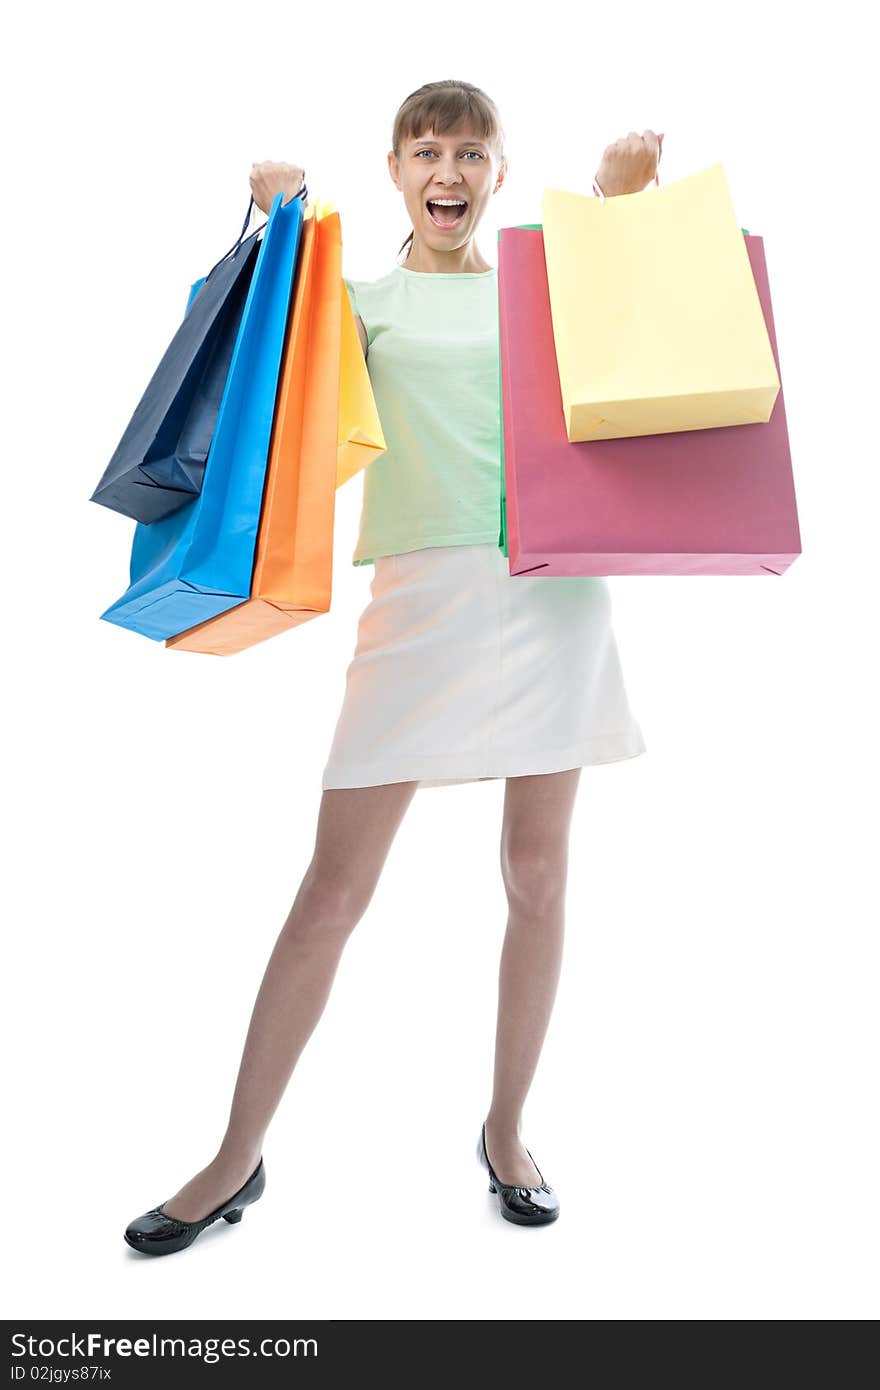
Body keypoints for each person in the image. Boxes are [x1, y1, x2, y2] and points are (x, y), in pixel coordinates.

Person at [124, 80, 660, 1254]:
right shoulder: (360, 304)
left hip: (552, 594)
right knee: (330, 896)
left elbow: (630, 342)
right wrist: (271, 231)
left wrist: (620, 208)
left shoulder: (538, 286)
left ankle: (507, 1133)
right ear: (396, 169)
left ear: (500, 171)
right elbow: (261, 365)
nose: (448, 171)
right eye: (428, 151)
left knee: (536, 877)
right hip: (418, 603)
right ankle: (232, 1159)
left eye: (470, 152)